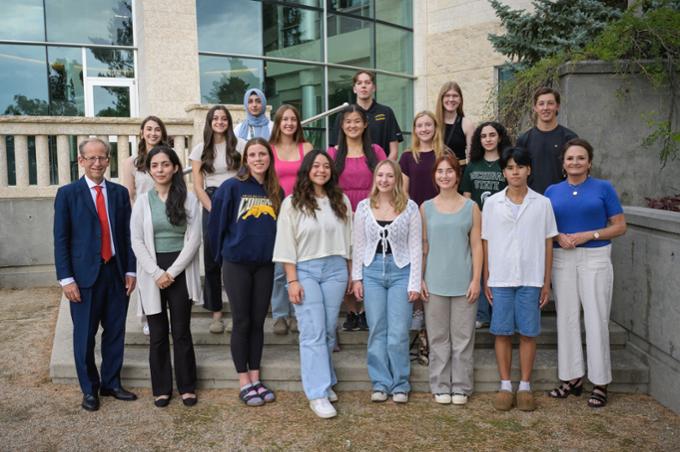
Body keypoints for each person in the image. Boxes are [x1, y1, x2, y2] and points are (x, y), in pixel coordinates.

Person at [53, 137, 137, 412]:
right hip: (83, 278)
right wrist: (66, 279)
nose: (97, 163)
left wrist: (130, 268)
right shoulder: (68, 194)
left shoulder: (119, 193)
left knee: (115, 331)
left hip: (115, 271)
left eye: (102, 157)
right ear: (81, 161)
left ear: (108, 160)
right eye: (91, 158)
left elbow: (127, 235)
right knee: (84, 336)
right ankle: (89, 389)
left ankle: (111, 383)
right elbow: (61, 239)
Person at [545, 138, 627, 408]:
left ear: (589, 162)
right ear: (564, 163)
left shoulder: (603, 188)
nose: (575, 162)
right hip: (562, 257)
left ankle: (600, 382)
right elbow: (545, 227)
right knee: (566, 319)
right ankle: (571, 378)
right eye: (570, 158)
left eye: (581, 158)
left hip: (595, 257)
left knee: (596, 318)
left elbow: (619, 226)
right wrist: (560, 237)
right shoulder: (552, 191)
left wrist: (587, 235)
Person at [273, 150, 353, 419]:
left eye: (326, 165)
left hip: (336, 270)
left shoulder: (340, 200)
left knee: (328, 330)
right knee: (313, 331)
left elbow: (350, 241)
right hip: (305, 270)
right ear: (307, 169)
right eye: (316, 165)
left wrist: (352, 274)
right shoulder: (293, 203)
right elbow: (286, 244)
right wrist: (292, 280)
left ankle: (326, 379)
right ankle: (317, 393)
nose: (321, 170)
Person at [482, 146, 558, 412]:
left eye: (520, 167)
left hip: (531, 276)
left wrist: (546, 281)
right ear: (504, 172)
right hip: (501, 277)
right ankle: (505, 385)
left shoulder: (543, 203)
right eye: (510, 167)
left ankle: (525, 385)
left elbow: (548, 243)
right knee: (501, 332)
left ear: (529, 170)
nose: (515, 172)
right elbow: (486, 241)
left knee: (528, 332)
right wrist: (486, 278)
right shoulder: (492, 203)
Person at [209, 138, 282, 407]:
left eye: (263, 154)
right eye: (253, 154)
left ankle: (256, 376)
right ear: (245, 159)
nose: (258, 158)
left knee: (258, 321)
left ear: (269, 158)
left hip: (264, 264)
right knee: (241, 321)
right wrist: (219, 259)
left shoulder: (276, 190)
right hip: (237, 263)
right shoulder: (231, 187)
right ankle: (243, 380)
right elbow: (216, 227)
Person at [130, 145, 201, 408]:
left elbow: (194, 240)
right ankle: (161, 388)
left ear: (174, 167)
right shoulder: (142, 201)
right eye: (155, 165)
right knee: (158, 332)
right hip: (152, 272)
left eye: (166, 164)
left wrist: (170, 272)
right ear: (149, 170)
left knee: (181, 332)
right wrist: (156, 272)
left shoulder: (188, 198)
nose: (160, 170)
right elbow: (136, 241)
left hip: (179, 270)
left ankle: (187, 386)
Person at [352, 160, 421, 403]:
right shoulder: (363, 207)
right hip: (371, 273)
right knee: (377, 329)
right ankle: (380, 382)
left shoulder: (410, 208)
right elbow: (358, 244)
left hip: (401, 271)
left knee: (399, 331)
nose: (384, 180)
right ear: (375, 178)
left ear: (397, 179)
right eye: (380, 175)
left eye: (390, 176)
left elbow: (415, 248)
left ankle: (400, 383)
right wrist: (356, 278)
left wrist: (415, 282)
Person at [421, 154, 482, 405]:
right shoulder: (425, 207)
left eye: (449, 171)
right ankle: (440, 385)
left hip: (463, 282)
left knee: (463, 338)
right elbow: (423, 246)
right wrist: (421, 279)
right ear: (434, 176)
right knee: (437, 338)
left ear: (458, 175)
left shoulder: (472, 207)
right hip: (434, 282)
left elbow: (477, 246)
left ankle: (461, 386)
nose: (444, 175)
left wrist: (476, 279)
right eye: (440, 171)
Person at [328, 104, 387, 332]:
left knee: (366, 260)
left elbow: (385, 181)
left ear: (365, 125)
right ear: (342, 126)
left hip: (371, 212)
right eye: (348, 122)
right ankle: (352, 310)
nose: (352, 125)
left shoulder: (376, 151)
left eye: (357, 121)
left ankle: (365, 311)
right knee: (345, 262)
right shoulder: (333, 154)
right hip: (341, 213)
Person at [189, 105, 246, 334]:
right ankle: (216, 314)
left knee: (235, 259)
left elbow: (245, 176)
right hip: (211, 201)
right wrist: (212, 209)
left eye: (224, 118)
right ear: (210, 122)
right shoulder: (200, 150)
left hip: (236, 201)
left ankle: (236, 311)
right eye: (216, 118)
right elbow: (197, 185)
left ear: (229, 122)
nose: (220, 122)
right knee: (213, 259)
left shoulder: (240, 146)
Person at [122, 115, 169, 337]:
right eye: (149, 129)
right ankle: (146, 316)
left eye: (157, 129)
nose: (153, 133)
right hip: (141, 221)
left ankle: (164, 312)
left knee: (164, 268)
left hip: (165, 222)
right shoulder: (131, 163)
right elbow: (128, 195)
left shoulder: (167, 158)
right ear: (142, 132)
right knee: (145, 270)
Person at [460, 121, 510, 330]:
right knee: (479, 268)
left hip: (502, 224)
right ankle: (482, 314)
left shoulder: (507, 164)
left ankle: (499, 311)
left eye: (492, 135)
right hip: (478, 224)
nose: (488, 139)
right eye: (483, 136)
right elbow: (467, 198)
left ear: (499, 137)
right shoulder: (473, 166)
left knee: (498, 268)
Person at [268, 104, 313, 336]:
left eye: (293, 119)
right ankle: (280, 314)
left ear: (298, 123)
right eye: (284, 119)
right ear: (278, 123)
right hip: (276, 212)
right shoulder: (269, 148)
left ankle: (298, 312)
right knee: (279, 266)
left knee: (302, 263)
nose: (288, 123)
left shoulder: (306, 147)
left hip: (303, 210)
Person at [329, 70, 403, 160]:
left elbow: (394, 151)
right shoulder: (344, 114)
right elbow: (337, 148)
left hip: (380, 170)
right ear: (354, 89)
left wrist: (383, 171)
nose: (363, 86)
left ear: (374, 88)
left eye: (367, 83)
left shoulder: (386, 112)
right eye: (359, 83)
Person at [516, 87, 578, 194]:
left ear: (557, 106)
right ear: (535, 108)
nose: (545, 108)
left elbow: (577, 171)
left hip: (563, 198)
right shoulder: (524, 140)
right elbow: (518, 172)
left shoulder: (570, 138)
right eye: (541, 104)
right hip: (532, 200)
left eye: (550, 103)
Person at [399, 111, 452, 207]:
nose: (424, 129)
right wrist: (413, 212)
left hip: (442, 211)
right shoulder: (406, 156)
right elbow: (403, 191)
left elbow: (452, 187)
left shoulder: (446, 154)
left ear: (435, 127)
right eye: (419, 126)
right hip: (415, 213)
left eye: (428, 125)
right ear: (415, 130)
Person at [434, 81, 475, 166]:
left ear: (460, 99)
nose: (451, 99)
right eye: (447, 96)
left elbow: (472, 156)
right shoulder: (433, 123)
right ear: (441, 99)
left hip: (459, 173)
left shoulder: (467, 124)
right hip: (437, 173)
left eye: (455, 96)